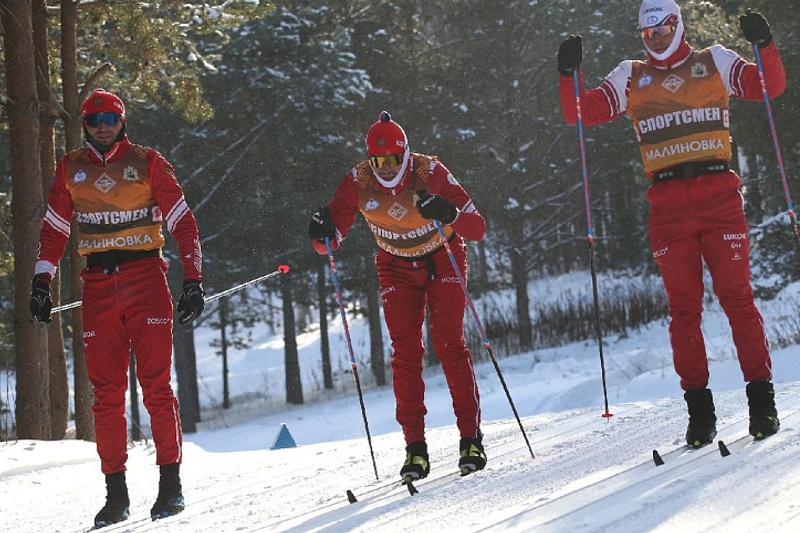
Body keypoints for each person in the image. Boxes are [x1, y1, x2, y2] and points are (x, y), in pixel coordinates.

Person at [557, 1, 785, 448]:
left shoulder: (714, 60)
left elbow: (768, 86)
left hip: (719, 197)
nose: (654, 39)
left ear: (677, 25)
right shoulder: (631, 74)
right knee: (684, 312)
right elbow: (580, 113)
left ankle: (762, 404)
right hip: (667, 206)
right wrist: (569, 75)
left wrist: (764, 44)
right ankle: (700, 415)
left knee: (738, 300)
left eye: (660, 30)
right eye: (646, 33)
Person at [29, 89, 205, 527]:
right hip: (97, 286)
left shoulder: (147, 161)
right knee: (105, 396)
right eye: (94, 119)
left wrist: (194, 281)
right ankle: (116, 496)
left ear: (122, 121)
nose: (103, 125)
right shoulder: (70, 167)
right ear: (84, 125)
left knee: (156, 386)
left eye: (110, 117)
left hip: (146, 281)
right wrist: (40, 282)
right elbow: (53, 229)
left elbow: (183, 221)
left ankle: (171, 486)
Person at [308, 111, 487, 480]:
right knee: (405, 353)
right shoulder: (357, 181)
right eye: (378, 161)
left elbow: (478, 227)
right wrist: (319, 232)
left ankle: (470, 438)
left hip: (443, 257)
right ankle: (415, 449)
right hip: (396, 266)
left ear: (405, 154)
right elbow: (330, 242)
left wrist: (448, 212)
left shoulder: (430, 172)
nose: (386, 169)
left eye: (392, 160)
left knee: (449, 344)